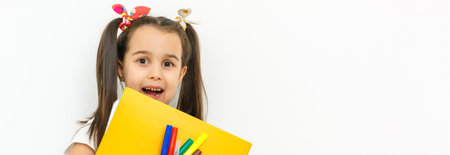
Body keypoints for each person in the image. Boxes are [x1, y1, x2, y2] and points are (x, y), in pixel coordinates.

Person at [65, 4, 206, 155]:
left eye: (167, 64)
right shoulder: (94, 134)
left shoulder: (186, 140)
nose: (155, 74)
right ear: (121, 68)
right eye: (143, 61)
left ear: (181, 74)